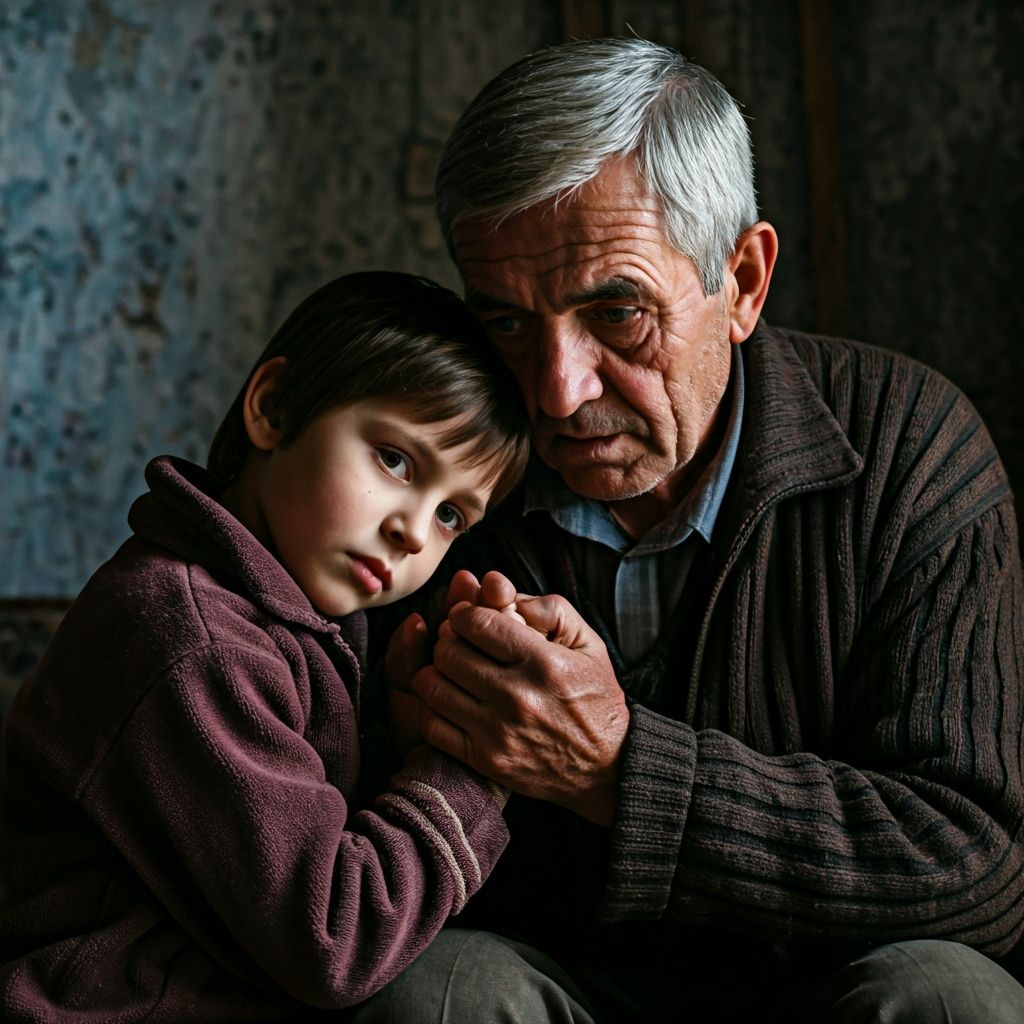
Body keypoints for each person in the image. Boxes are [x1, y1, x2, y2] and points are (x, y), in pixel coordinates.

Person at [363, 37, 1024, 1023]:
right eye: (504, 322)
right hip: (561, 987)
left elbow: (976, 868)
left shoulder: (911, 447)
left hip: (828, 993)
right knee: (439, 993)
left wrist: (617, 771)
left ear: (744, 280)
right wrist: (415, 749)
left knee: (945, 997)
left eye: (616, 311)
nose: (554, 390)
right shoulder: (422, 483)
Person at [0, 271, 532, 1021]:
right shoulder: (195, 642)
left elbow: (286, 829)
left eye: (450, 513)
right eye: (395, 460)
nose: (413, 529)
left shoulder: (286, 625)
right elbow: (333, 939)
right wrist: (469, 766)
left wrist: (398, 737)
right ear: (274, 408)